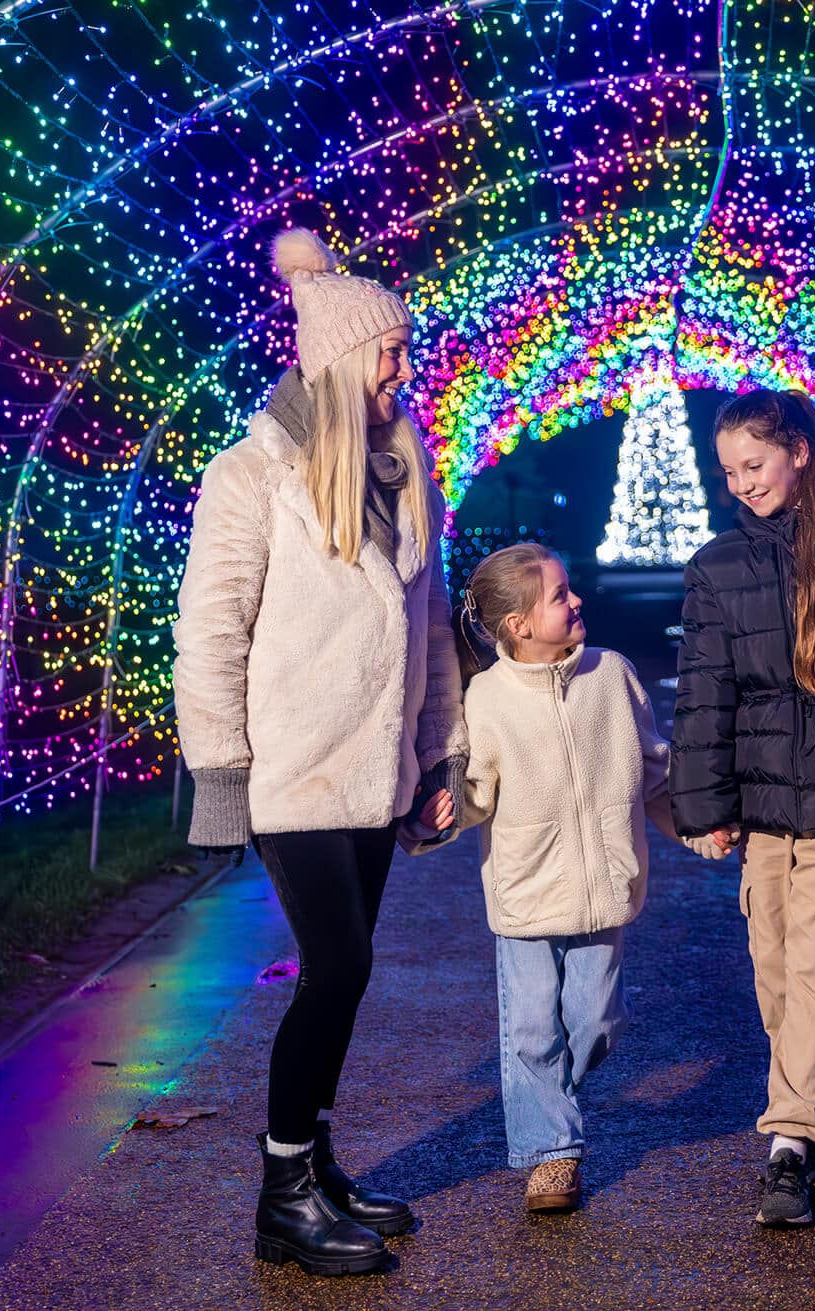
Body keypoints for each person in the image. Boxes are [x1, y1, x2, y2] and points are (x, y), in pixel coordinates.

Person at [173, 227, 466, 1277]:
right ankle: (282, 1195)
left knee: (349, 974)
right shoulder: (251, 475)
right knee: (336, 966)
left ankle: (318, 1162)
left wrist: (438, 758)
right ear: (342, 358)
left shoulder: (405, 469)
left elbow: (431, 632)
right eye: (391, 351)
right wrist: (220, 775)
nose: (405, 368)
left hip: (374, 771)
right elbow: (211, 630)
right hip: (292, 770)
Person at [670, 390, 815, 1228]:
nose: (742, 483)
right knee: (778, 978)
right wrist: (703, 805)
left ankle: (789, 1144)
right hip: (766, 809)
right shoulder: (717, 567)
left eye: (755, 464)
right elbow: (705, 694)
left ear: (800, 451)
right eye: (729, 471)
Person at [416, 543, 688, 1212]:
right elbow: (476, 791)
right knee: (534, 1029)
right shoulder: (488, 697)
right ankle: (551, 1153)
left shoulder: (612, 675)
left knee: (595, 1021)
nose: (577, 600)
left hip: (603, 889)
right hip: (526, 891)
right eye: (560, 595)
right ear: (518, 624)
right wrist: (436, 817)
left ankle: (552, 1093)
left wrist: (697, 827)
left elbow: (655, 770)